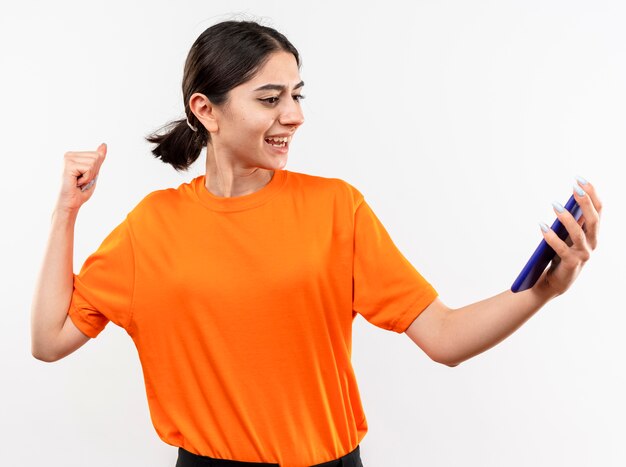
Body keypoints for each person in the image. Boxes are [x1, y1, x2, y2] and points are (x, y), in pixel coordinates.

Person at [30, 19, 602, 467]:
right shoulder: (151, 227)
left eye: (298, 95)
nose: (295, 115)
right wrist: (65, 212)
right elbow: (50, 340)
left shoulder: (336, 208)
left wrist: (542, 292)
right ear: (206, 110)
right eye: (271, 98)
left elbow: (444, 338)